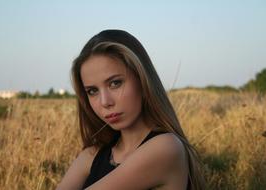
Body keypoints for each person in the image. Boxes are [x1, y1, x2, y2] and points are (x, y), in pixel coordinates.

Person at [56, 29, 205, 190]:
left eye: (115, 83)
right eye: (93, 91)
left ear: (142, 79)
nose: (105, 102)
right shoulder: (92, 155)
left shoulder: (166, 147)